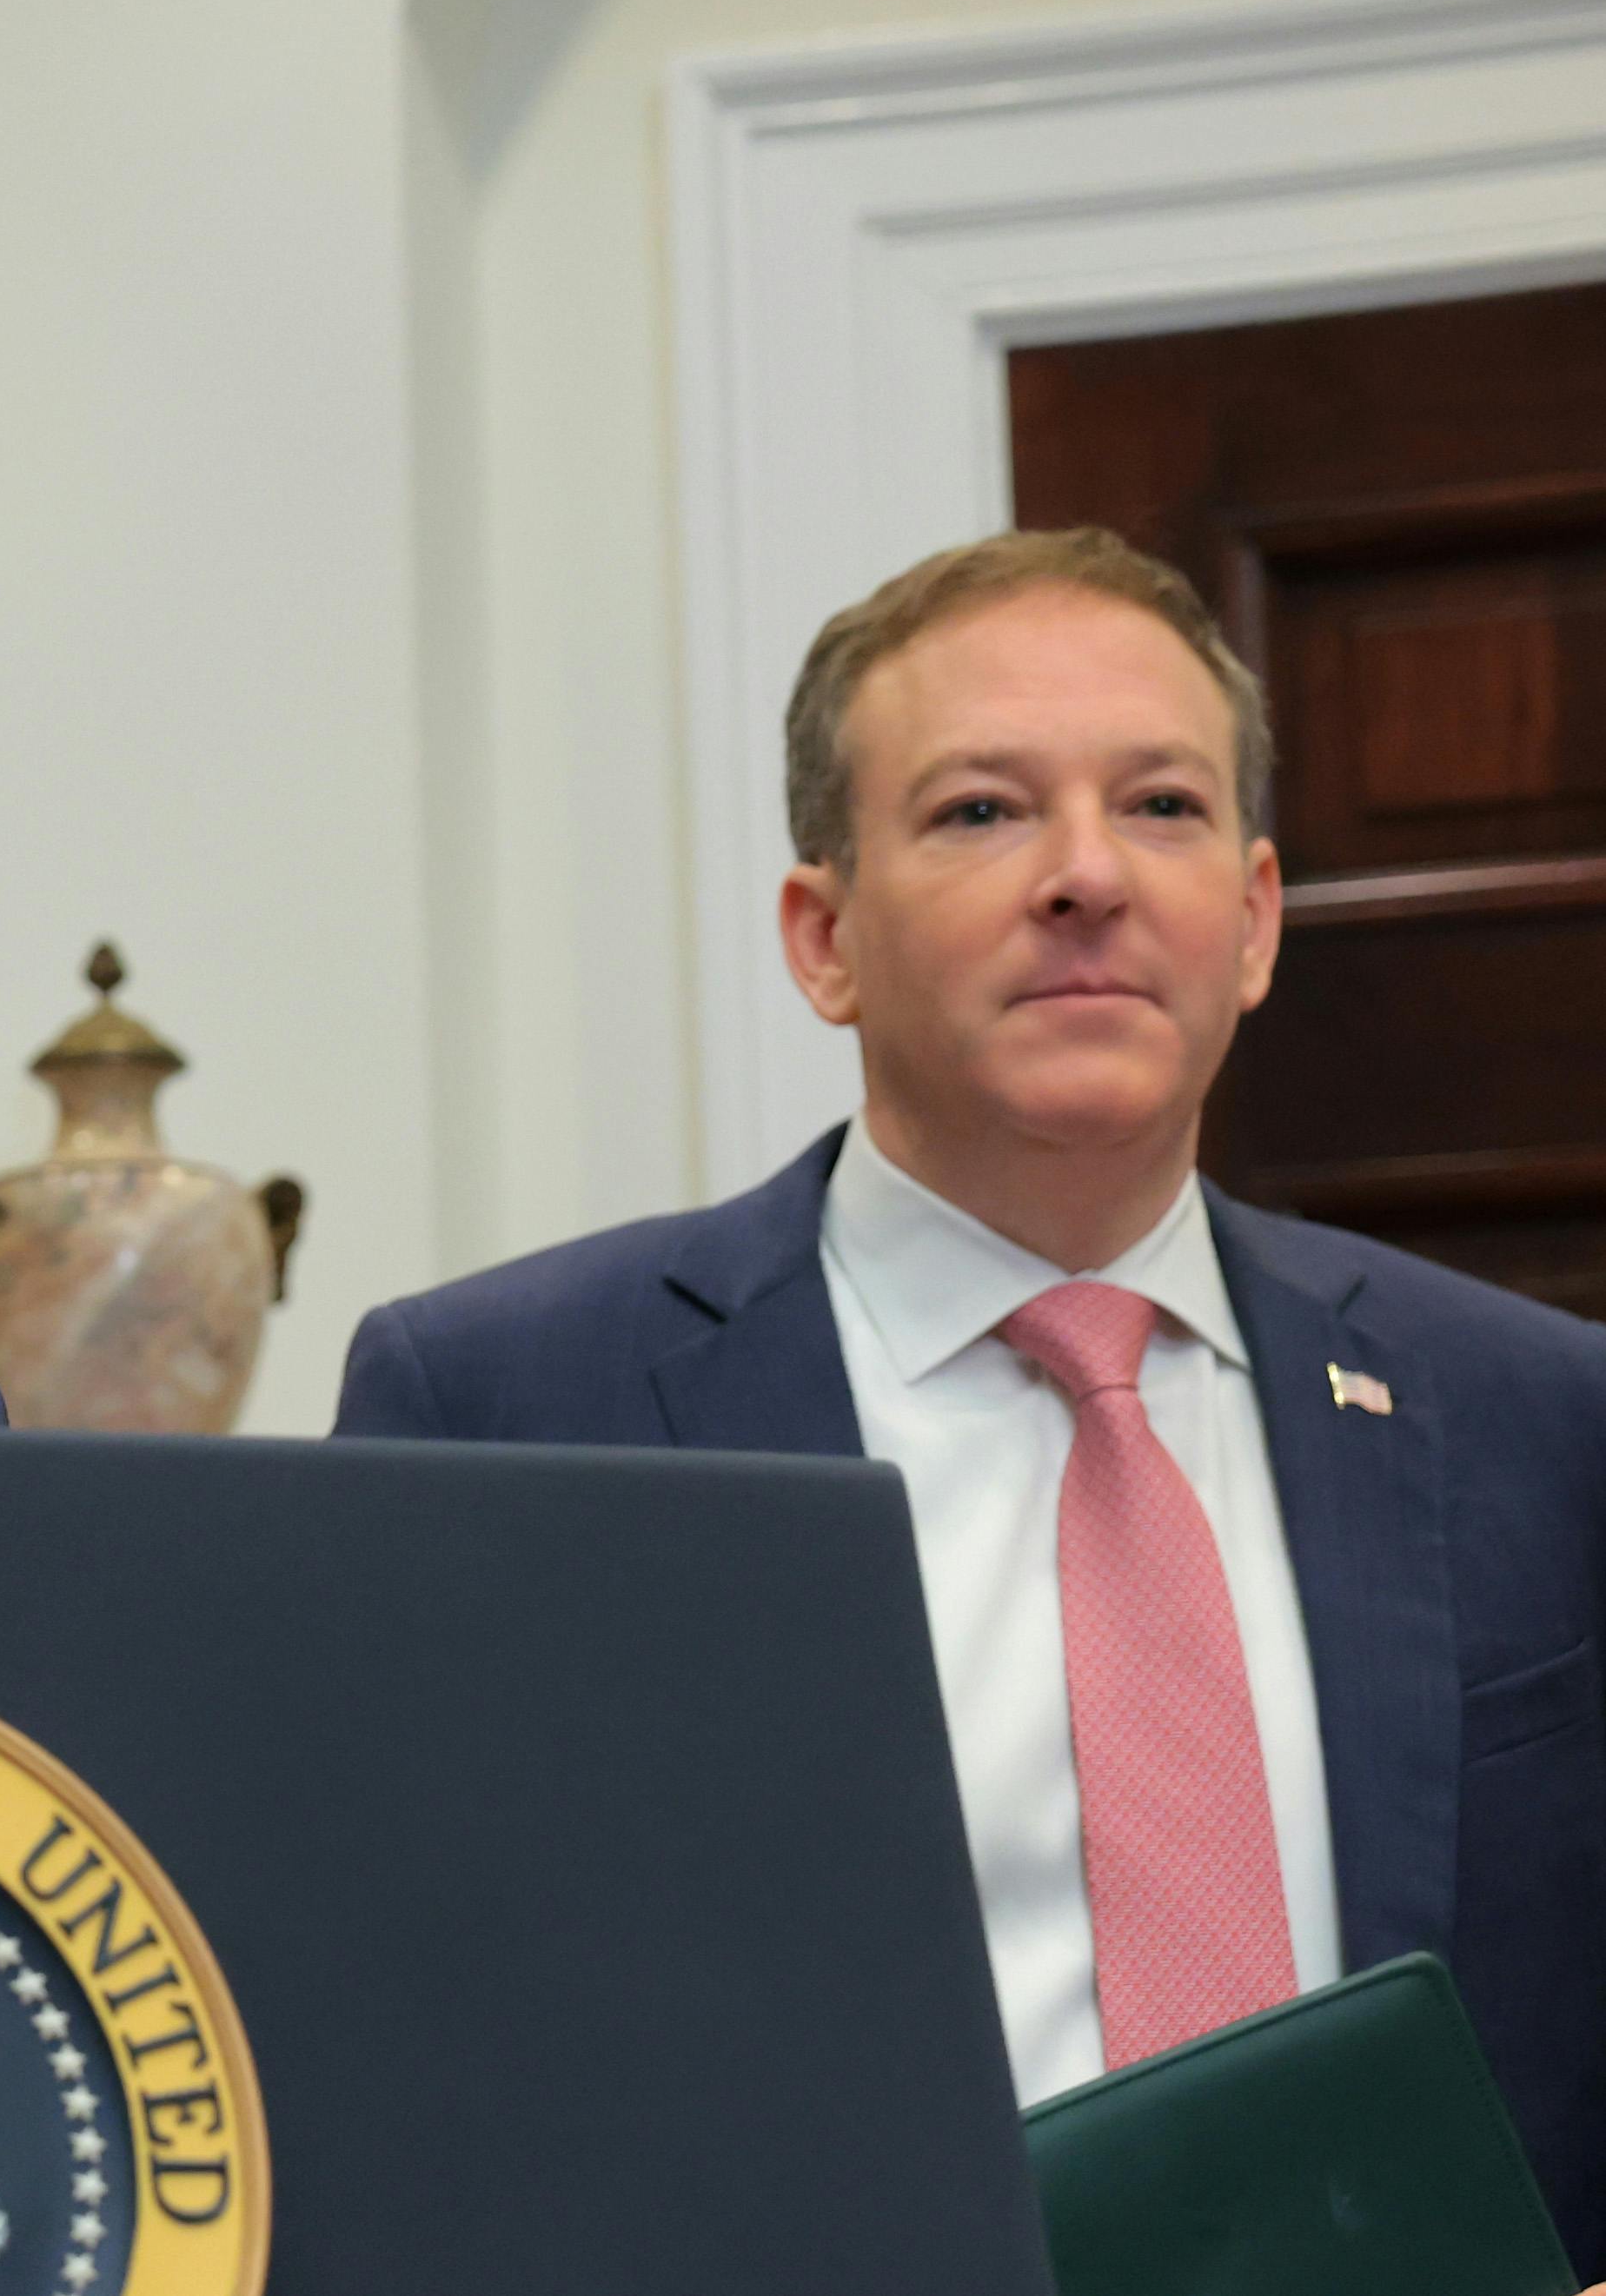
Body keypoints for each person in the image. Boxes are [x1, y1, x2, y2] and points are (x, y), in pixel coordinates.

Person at [333, 528, 1606, 2272]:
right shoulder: (510, 1406)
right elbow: (393, 2057)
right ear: (822, 934)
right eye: (979, 812)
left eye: (1157, 806)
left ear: (1249, 923)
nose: (1084, 876)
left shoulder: (1538, 1416)